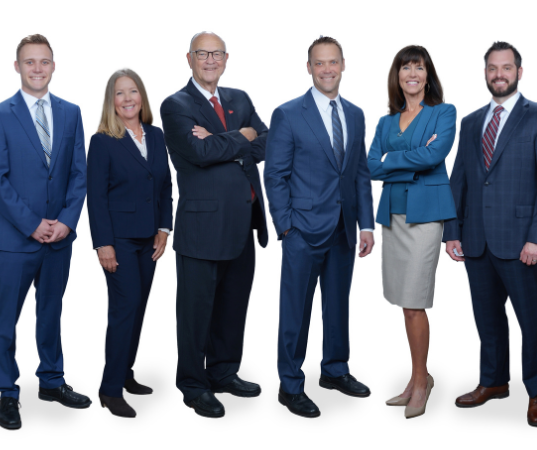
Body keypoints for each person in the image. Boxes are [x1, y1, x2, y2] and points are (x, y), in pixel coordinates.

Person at [444, 41, 537, 428]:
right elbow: (458, 179)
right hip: (476, 239)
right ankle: (494, 381)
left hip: (521, 242)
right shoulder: (470, 121)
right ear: (485, 73)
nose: (500, 74)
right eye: (493, 68)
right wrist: (452, 231)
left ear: (519, 72)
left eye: (507, 68)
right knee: (487, 317)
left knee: (531, 319)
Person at [0, 34, 91, 430]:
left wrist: (65, 221)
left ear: (54, 65)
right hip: (15, 239)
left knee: (51, 312)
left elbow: (80, 173)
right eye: (30, 62)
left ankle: (51, 380)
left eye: (44, 61)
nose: (37, 68)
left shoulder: (71, 112)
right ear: (17, 67)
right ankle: (8, 392)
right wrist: (31, 224)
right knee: (5, 318)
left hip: (59, 238)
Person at [264, 36, 375, 419]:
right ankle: (290, 384)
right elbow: (275, 176)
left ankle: (334, 370)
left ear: (343, 64)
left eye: (333, 62)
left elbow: (359, 171)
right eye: (319, 63)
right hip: (302, 231)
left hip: (344, 229)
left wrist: (366, 224)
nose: (327, 69)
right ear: (309, 68)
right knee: (295, 310)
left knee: (337, 306)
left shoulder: (356, 114)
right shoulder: (288, 114)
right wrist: (286, 227)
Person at [160, 31, 269, 419]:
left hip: (243, 221)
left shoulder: (240, 98)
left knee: (232, 305)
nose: (210, 60)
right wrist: (241, 136)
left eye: (217, 53)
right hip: (202, 227)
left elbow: (266, 141)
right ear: (189, 58)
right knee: (195, 311)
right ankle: (193, 383)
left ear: (226, 58)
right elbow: (199, 153)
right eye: (202, 53)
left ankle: (223, 372)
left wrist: (226, 140)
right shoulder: (176, 105)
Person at [366, 45, 456, 419]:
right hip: (394, 217)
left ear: (427, 74)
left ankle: (421, 382)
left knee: (415, 300)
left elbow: (437, 156)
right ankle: (420, 375)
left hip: (426, 218)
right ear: (398, 76)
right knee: (405, 303)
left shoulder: (443, 113)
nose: (412, 73)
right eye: (405, 67)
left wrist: (393, 161)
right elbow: (371, 165)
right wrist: (409, 160)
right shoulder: (387, 122)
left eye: (418, 67)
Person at [87, 68, 173, 418]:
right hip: (119, 240)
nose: (127, 99)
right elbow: (96, 197)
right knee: (125, 309)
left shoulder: (155, 135)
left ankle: (125, 372)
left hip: (149, 238)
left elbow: (165, 185)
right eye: (120, 93)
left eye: (132, 92)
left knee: (137, 308)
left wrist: (164, 229)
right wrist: (103, 244)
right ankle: (109, 389)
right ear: (111, 101)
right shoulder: (103, 140)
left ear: (142, 97)